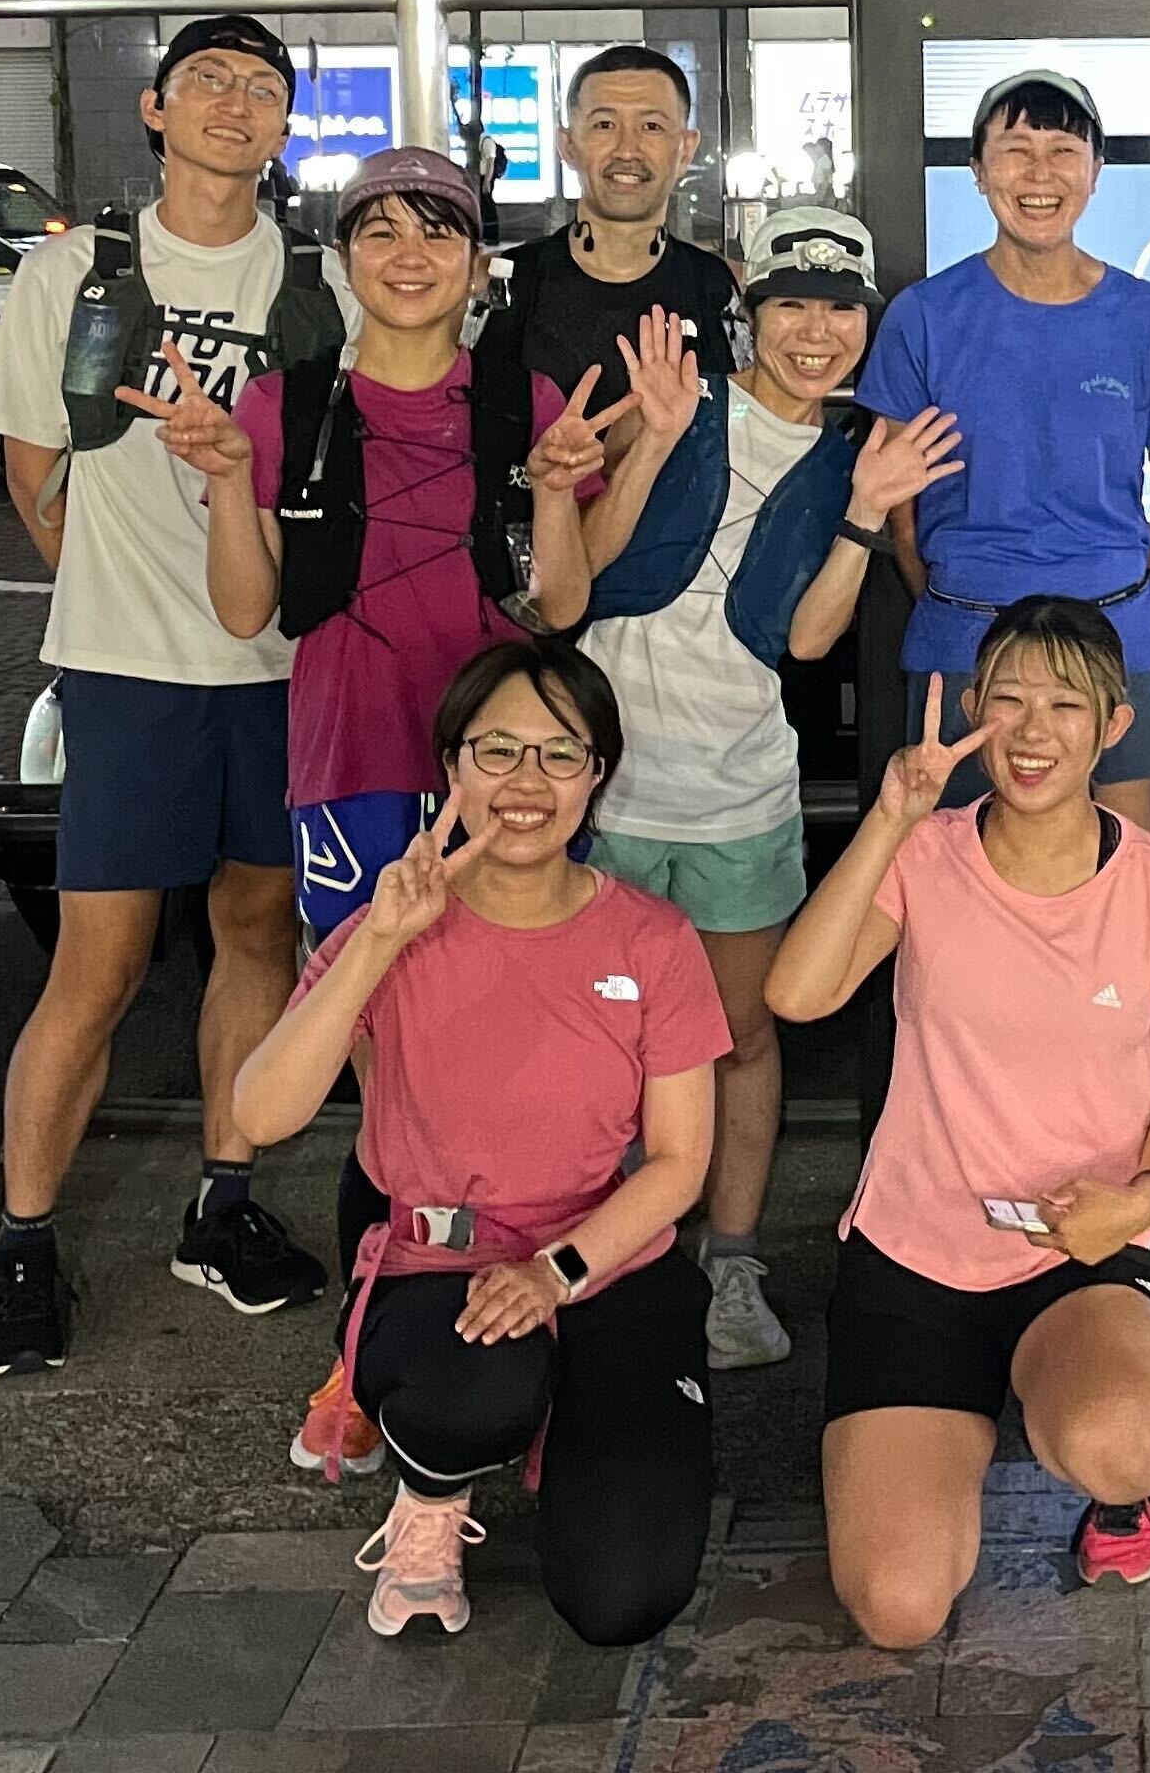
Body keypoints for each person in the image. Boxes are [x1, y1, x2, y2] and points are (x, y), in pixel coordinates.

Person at [126, 144, 694, 1478]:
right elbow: (248, 610)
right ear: (342, 260)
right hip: (356, 763)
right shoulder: (288, 403)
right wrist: (227, 476)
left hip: (512, 774)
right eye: (378, 230)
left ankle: (530, 1305)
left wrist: (556, 485)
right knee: (387, 1069)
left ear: (478, 262)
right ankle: (379, 1343)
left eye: (437, 230)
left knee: (513, 1037)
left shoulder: (524, 399)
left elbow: (559, 606)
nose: (408, 254)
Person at [0, 13, 352, 1379]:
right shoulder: (71, 270)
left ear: (286, 126)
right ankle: (22, 1237)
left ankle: (222, 1203)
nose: (237, 104)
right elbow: (31, 466)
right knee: (101, 963)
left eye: (263, 88)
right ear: (156, 109)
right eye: (209, 82)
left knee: (257, 933)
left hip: (281, 671)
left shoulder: (319, 283)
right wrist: (116, 589)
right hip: (130, 674)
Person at [231, 639, 734, 1649]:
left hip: (602, 1259)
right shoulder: (390, 924)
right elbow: (261, 1114)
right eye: (497, 750)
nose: (526, 781)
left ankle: (566, 1416)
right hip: (438, 1261)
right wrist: (379, 939)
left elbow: (681, 1163)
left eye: (561, 753)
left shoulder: (652, 940)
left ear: (597, 775)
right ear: (451, 766)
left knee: (623, 1597)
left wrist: (555, 1274)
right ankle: (431, 1486)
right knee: (478, 1388)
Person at [765, 596, 1150, 1643]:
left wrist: (1141, 1202)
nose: (1031, 730)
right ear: (971, 707)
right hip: (915, 1252)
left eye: (1066, 705)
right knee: (897, 1607)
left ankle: (1115, 1490)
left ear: (1113, 725)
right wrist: (890, 816)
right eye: (1008, 700)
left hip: (1085, 1242)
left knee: (1122, 1443)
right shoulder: (924, 853)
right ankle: (950, 1451)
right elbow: (797, 994)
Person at [579, 203, 965, 1373]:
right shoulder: (674, 402)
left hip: (740, 793)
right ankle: (606, 1245)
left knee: (743, 1036)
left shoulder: (856, 458)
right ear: (751, 310)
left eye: (840, 310)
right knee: (600, 1039)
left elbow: (808, 641)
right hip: (604, 792)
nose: (815, 331)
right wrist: (649, 441)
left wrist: (865, 514)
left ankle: (731, 1259)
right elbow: (579, 572)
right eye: (792, 304)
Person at [856, 69, 1150, 834]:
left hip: (1121, 641)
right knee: (959, 877)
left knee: (1128, 874)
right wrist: (962, 600)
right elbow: (899, 512)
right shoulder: (925, 317)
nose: (1040, 173)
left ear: (1096, 171)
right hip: (966, 640)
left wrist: (1125, 600)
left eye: (1063, 151)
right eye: (1016, 150)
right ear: (978, 171)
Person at [491, 46, 743, 443]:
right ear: (567, 145)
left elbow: (744, 426)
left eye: (652, 127)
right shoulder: (507, 284)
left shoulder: (719, 289)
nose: (627, 150)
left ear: (686, 149)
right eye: (604, 125)